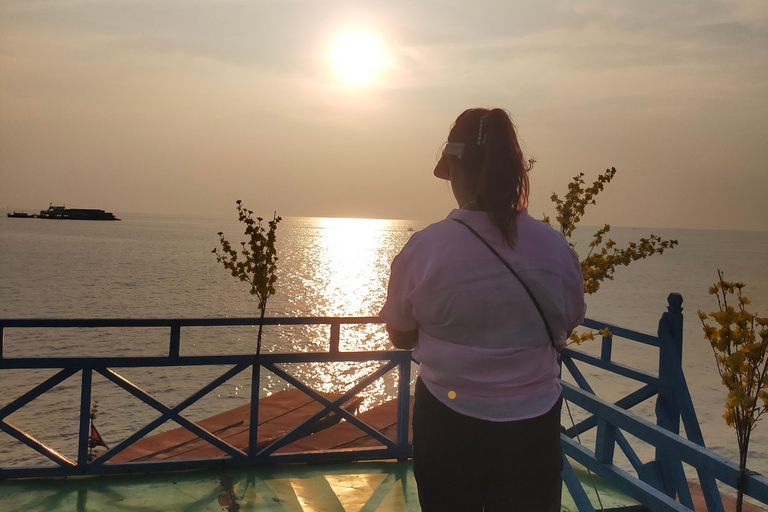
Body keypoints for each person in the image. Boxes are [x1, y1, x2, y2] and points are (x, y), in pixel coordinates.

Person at [379, 108, 586, 512]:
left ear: (454, 167)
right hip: (533, 425)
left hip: (448, 420)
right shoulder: (555, 249)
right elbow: (569, 322)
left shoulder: (424, 249)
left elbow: (400, 336)